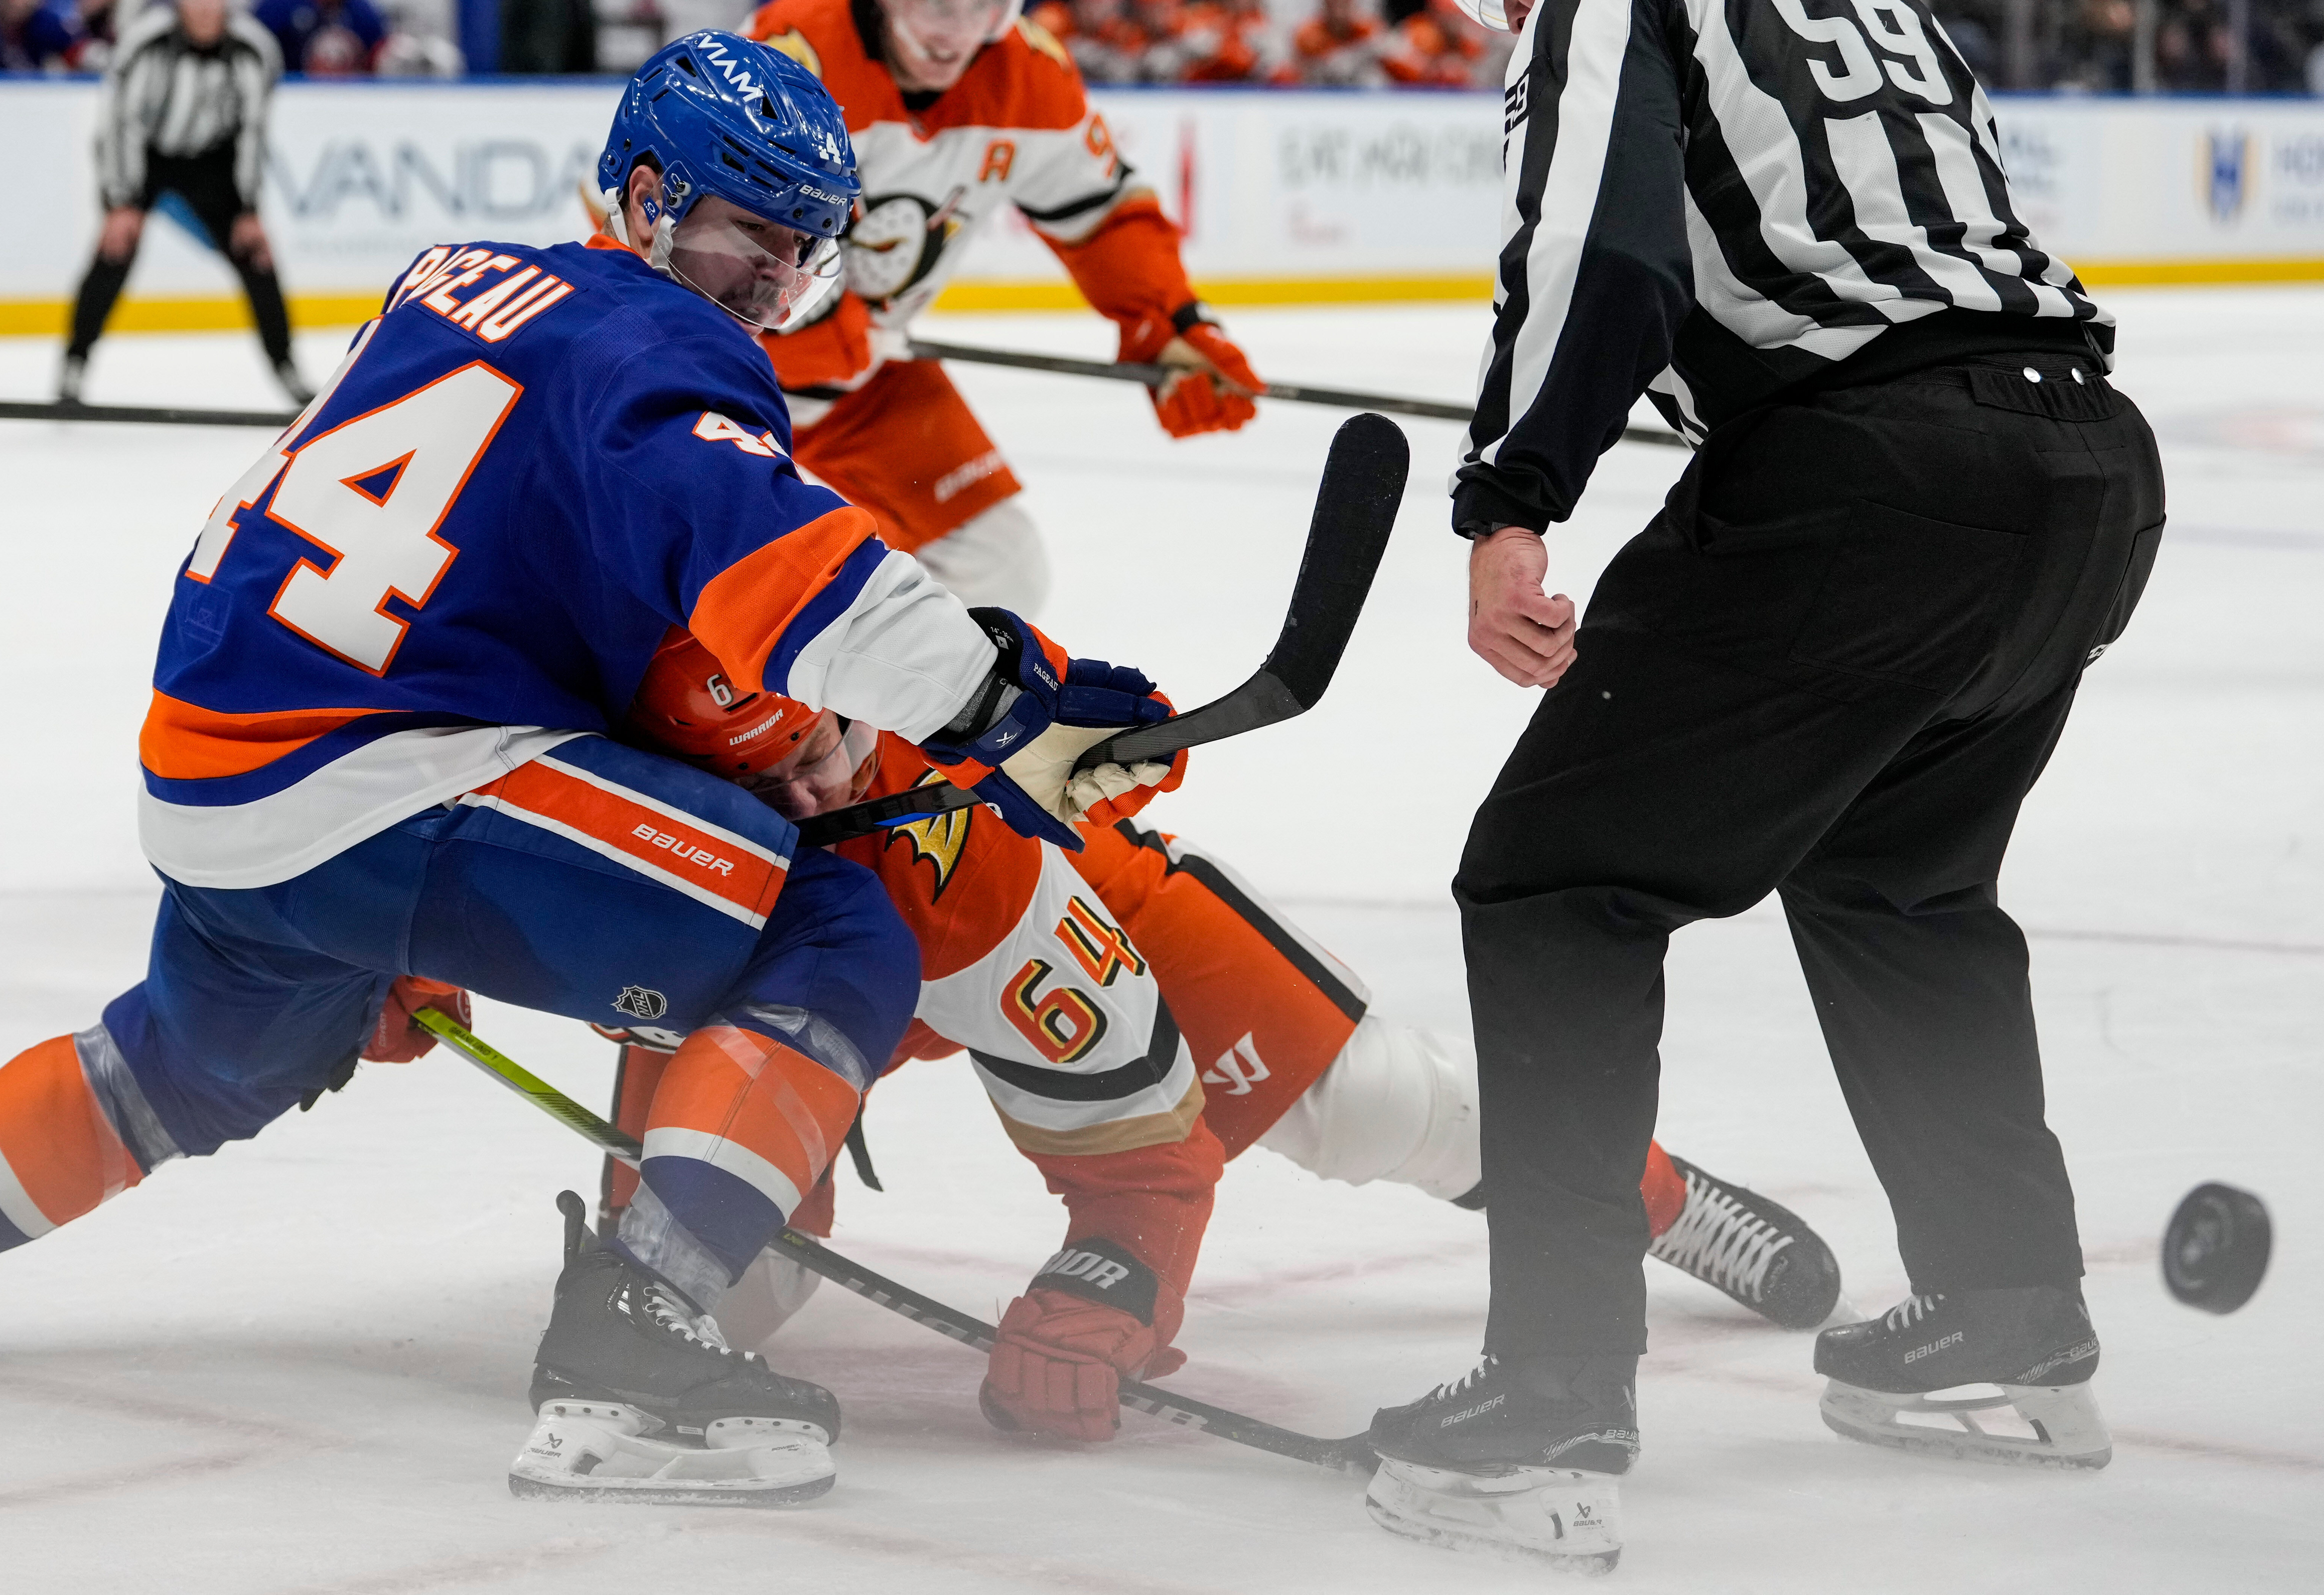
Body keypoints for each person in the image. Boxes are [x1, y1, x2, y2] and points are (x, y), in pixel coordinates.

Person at [0, 34, 1178, 1510]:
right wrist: (1004, 697)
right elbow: (783, 563)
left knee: (182, 1060)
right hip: (384, 780)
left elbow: (529, 574)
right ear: (644, 198)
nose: (764, 295)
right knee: (825, 929)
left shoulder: (452, 281)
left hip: (219, 771)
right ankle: (636, 1341)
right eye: (744, 241)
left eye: (794, 262)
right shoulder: (655, 349)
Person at [1366, 0, 2167, 1569]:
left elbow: (1604, 250)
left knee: (1554, 884)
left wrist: (1511, 495)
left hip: (1878, 479)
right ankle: (2006, 1305)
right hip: (2078, 466)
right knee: (1899, 881)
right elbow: (1846, 265)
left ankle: (1551, 1388)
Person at [568, 650, 1845, 1454]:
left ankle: (1653, 1197)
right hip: (804, 976)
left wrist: (1112, 1281)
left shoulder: (977, 863)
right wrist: (384, 956)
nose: (806, 803)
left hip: (1072, 913)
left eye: (822, 753)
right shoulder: (625, 799)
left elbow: (1138, 1146)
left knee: (1378, 1108)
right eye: (757, 783)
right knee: (715, 1286)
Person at [744, 0, 1265, 616]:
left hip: (861, 390)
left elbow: (1101, 213)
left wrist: (1171, 320)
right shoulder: (788, 54)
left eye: (981, 7)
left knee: (999, 572)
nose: (954, 31)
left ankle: (872, 708)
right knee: (760, 582)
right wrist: (796, 324)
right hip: (725, 387)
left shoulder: (1029, 74)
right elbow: (703, 233)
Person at [60, 0, 307, 407]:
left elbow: (252, 133)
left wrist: (248, 209)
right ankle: (74, 366)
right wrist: (121, 201)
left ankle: (287, 369)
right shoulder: (146, 42)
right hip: (148, 156)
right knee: (114, 253)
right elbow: (121, 123)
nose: (207, 8)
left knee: (257, 258)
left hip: (213, 163)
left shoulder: (254, 49)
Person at [251, 0, 388, 75]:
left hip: (350, 98)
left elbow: (378, 57)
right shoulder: (277, 8)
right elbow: (254, 50)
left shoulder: (364, 15)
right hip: (291, 95)